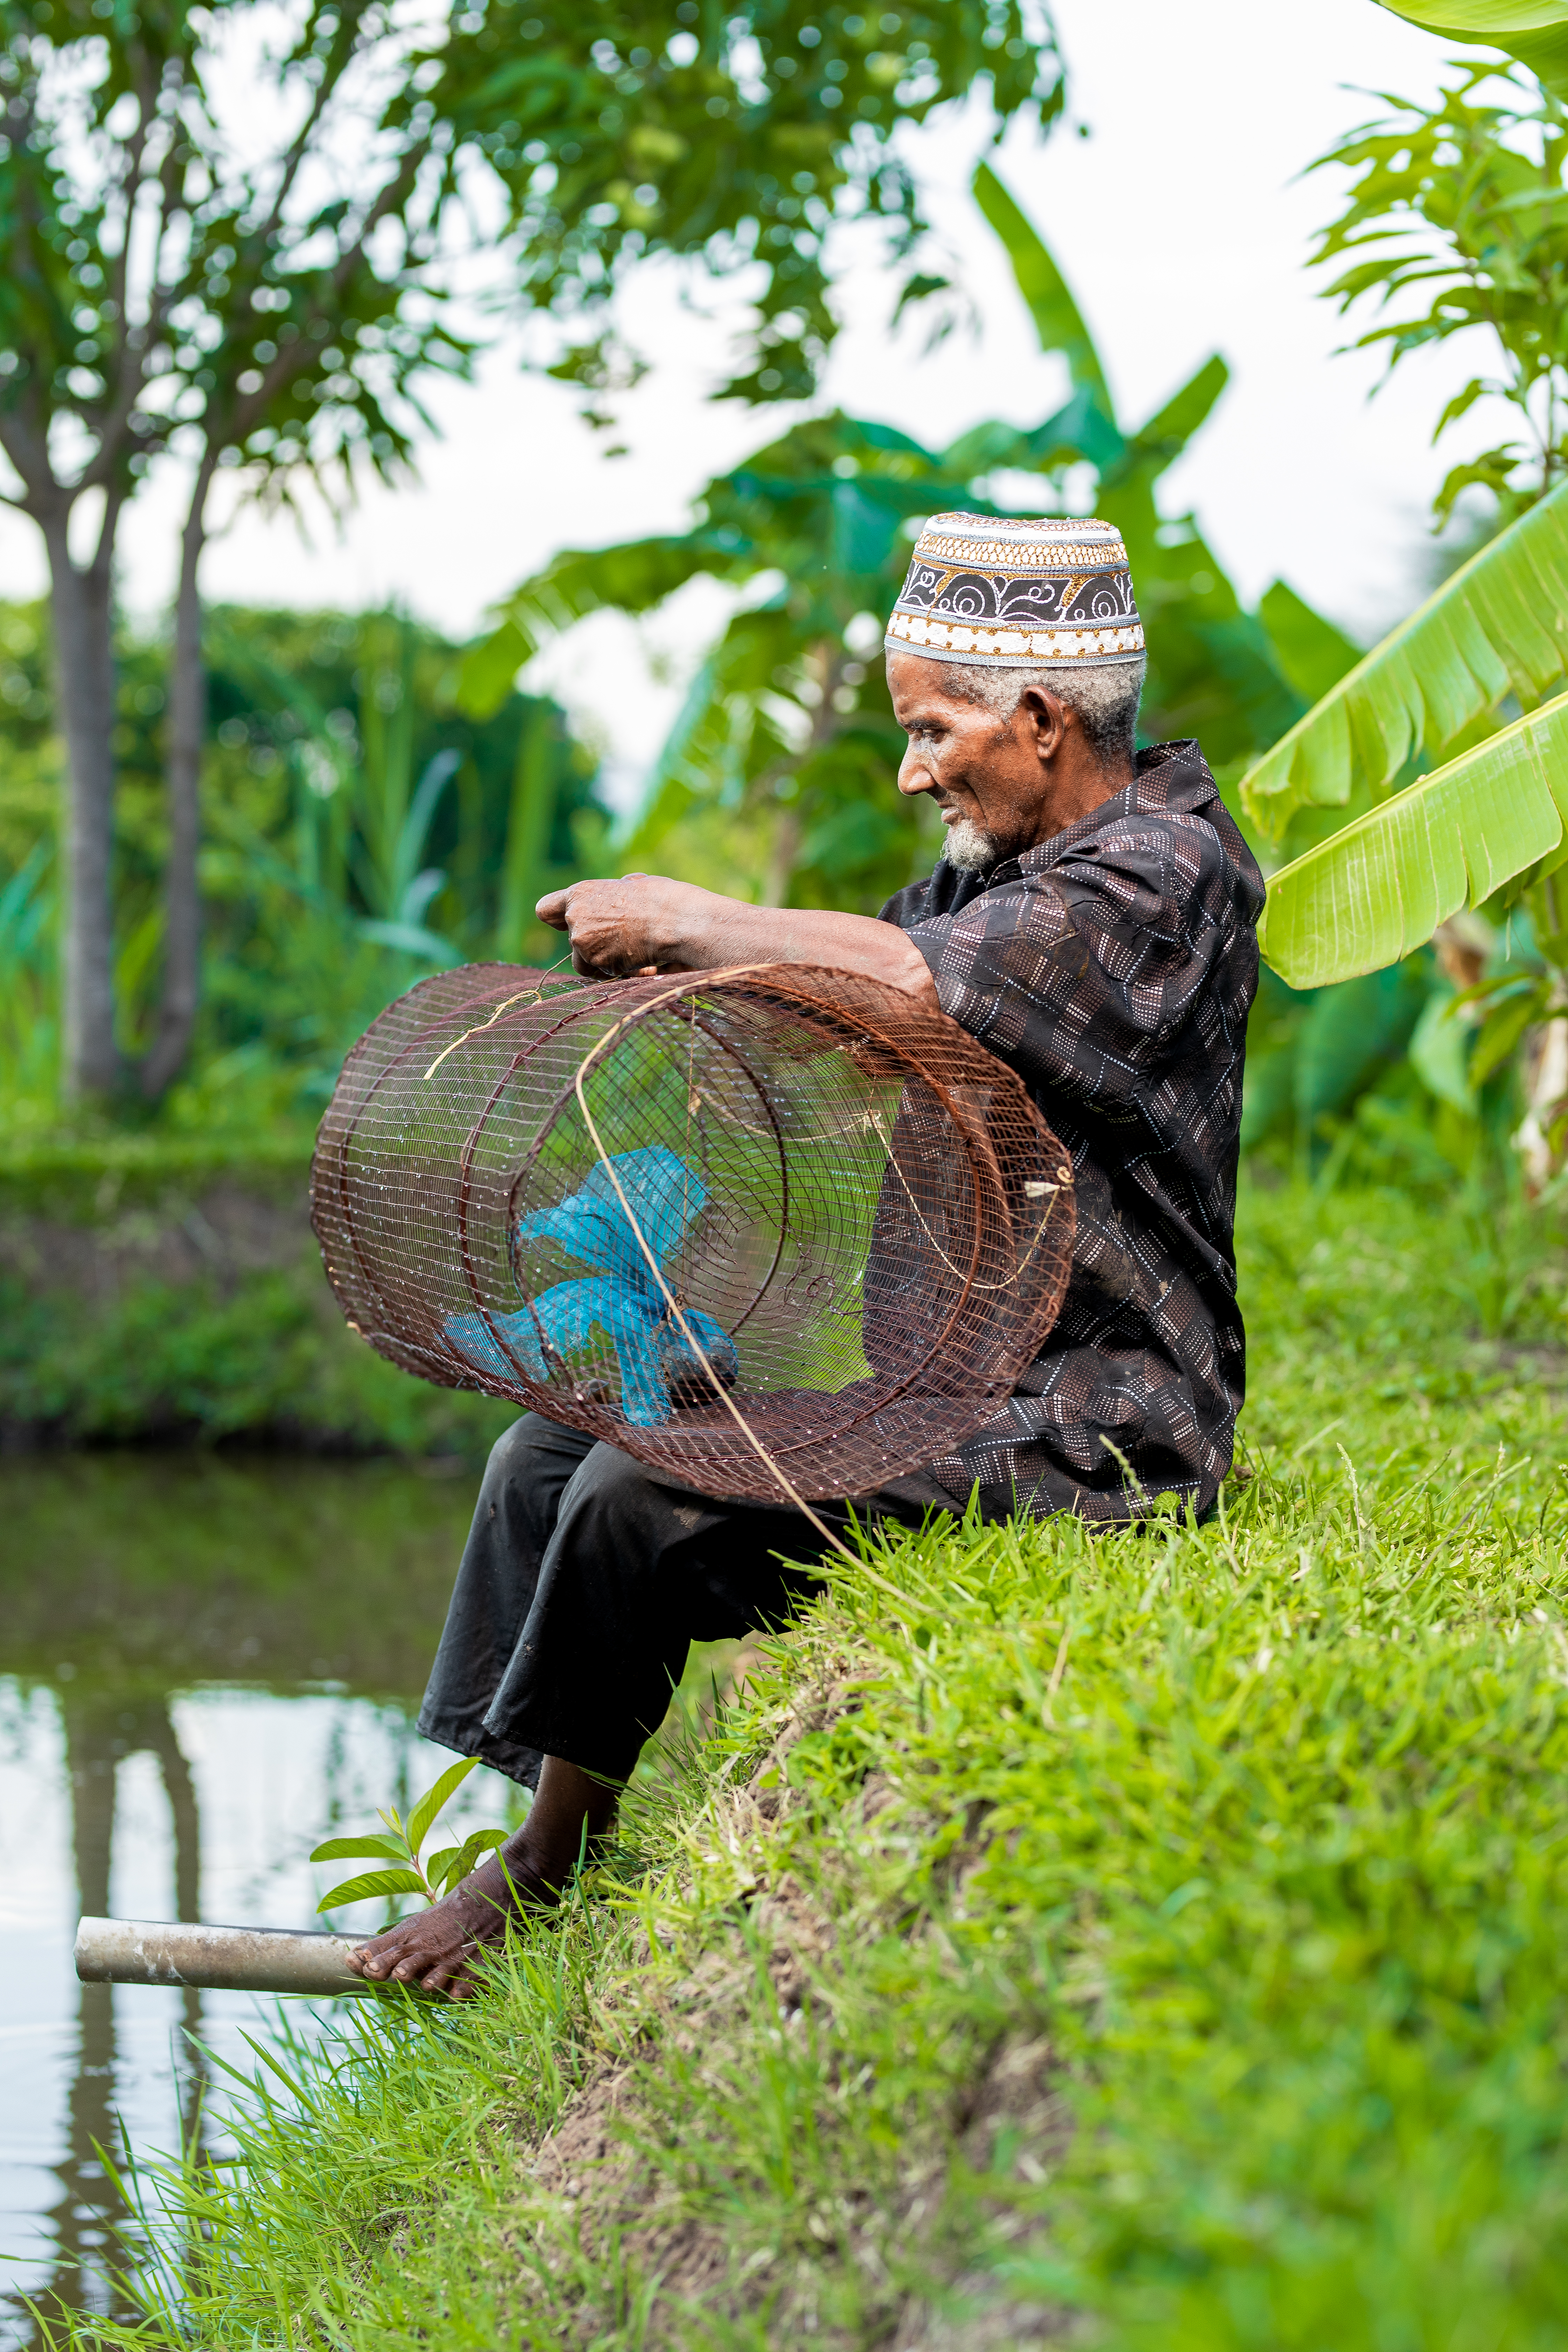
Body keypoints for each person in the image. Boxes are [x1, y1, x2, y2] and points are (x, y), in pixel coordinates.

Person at [348, 512, 1265, 1997]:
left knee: (642, 1494)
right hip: (956, 1383)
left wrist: (696, 915)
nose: (911, 771)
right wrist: (709, 1027)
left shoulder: (1160, 876)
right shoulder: (1003, 867)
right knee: (549, 1451)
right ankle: (532, 1801)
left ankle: (550, 1865)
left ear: (1039, 723)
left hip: (1092, 1421)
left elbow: (910, 977)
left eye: (930, 730)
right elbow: (848, 1000)